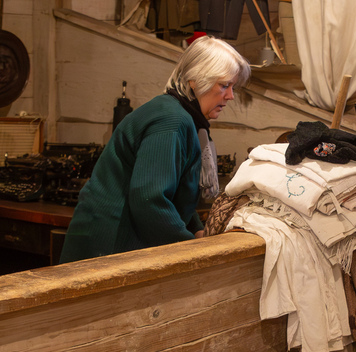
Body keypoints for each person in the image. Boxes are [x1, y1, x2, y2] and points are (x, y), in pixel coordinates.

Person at [59, 36, 251, 263]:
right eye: (224, 85)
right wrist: (191, 248)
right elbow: (149, 200)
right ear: (196, 80)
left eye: (232, 87)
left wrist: (197, 231)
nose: (230, 96)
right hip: (108, 247)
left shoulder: (184, 118)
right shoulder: (171, 120)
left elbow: (176, 196)